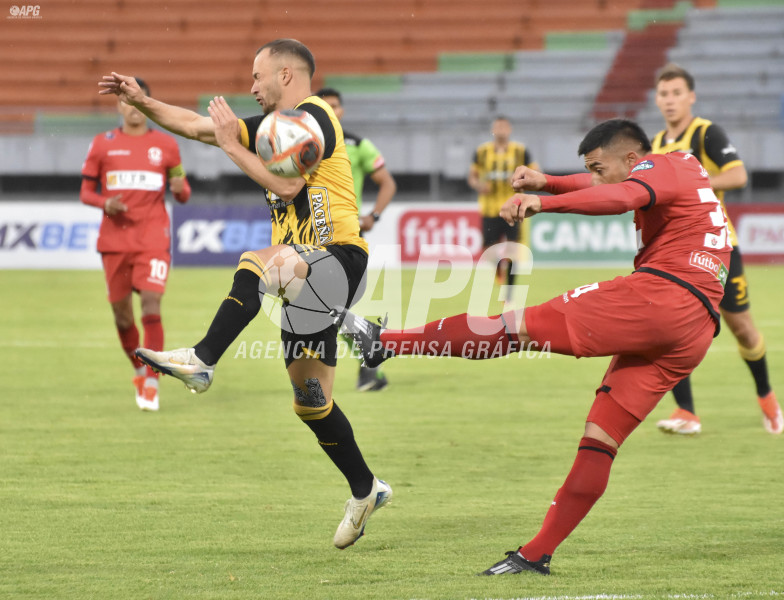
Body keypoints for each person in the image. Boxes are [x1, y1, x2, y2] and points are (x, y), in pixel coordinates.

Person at [335, 119, 731, 575]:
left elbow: (620, 194)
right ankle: (536, 553)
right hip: (693, 329)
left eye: (597, 167)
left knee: (514, 327)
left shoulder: (658, 165)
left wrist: (544, 201)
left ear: (630, 158)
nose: (594, 177)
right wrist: (552, 180)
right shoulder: (676, 168)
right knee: (600, 439)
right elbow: (610, 183)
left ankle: (384, 343)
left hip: (662, 296)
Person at [98, 39, 391, 548]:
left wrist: (233, 145)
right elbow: (194, 125)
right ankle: (365, 489)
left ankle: (203, 358)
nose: (251, 87)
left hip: (339, 257)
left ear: (285, 75)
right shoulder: (274, 129)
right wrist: (143, 100)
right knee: (311, 403)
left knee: (257, 261)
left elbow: (288, 189)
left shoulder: (315, 116)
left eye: (257, 77)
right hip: (304, 277)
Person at [651, 63, 781, 435]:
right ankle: (686, 413)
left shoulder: (706, 133)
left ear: (691, 97)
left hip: (718, 247)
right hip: (674, 251)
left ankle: (767, 396)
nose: (670, 100)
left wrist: (694, 185)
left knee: (742, 329)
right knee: (668, 327)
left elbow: (738, 174)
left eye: (677, 93)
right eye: (664, 94)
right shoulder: (657, 144)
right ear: (657, 100)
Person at [81, 77, 191, 412]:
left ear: (145, 102)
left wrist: (179, 189)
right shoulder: (102, 144)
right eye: (125, 101)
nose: (131, 108)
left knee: (151, 307)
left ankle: (153, 381)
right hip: (114, 241)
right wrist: (105, 204)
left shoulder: (168, 146)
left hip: (153, 239)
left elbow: (183, 192)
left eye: (136, 100)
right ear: (118, 105)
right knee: (123, 318)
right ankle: (140, 372)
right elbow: (86, 192)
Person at [315, 86, 397, 392]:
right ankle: (369, 352)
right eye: (324, 106)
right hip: (310, 233)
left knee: (327, 307)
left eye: (335, 106)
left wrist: (373, 216)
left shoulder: (357, 145)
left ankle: (366, 356)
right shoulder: (298, 144)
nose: (331, 111)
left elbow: (387, 183)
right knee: (327, 308)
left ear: (342, 110)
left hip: (346, 234)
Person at [468, 116, 540, 298]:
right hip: (490, 208)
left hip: (514, 208)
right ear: (493, 129)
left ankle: (509, 291)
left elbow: (536, 174)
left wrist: (522, 182)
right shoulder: (482, 152)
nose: (500, 130)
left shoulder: (521, 151)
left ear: (509, 129)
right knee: (488, 249)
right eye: (497, 126)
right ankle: (500, 272)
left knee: (513, 249)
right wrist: (479, 186)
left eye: (504, 126)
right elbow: (472, 177)